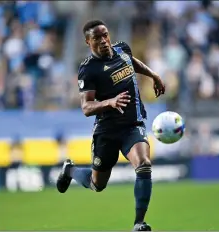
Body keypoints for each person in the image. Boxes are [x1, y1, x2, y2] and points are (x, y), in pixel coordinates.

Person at [56, 19, 165, 231]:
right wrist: (110, 102)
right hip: (106, 131)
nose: (104, 41)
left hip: (132, 125)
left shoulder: (122, 49)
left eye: (105, 35)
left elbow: (132, 62)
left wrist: (153, 75)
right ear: (88, 42)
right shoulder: (88, 70)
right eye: (97, 38)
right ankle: (69, 170)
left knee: (143, 164)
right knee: (97, 185)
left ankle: (139, 223)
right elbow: (86, 107)